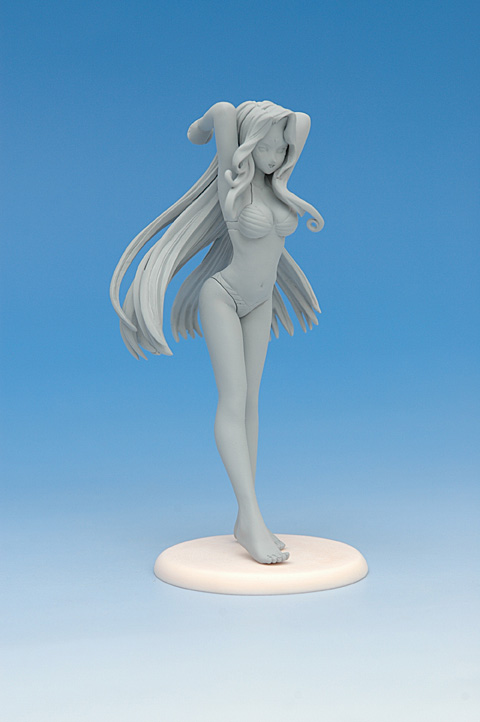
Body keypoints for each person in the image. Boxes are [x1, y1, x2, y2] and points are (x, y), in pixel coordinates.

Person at [110, 101, 324, 564]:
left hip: (261, 301)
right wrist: (201, 130)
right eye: (265, 148)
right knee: (233, 398)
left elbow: (303, 123)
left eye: (281, 149)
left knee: (252, 402)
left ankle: (248, 516)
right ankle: (251, 516)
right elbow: (223, 113)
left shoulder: (278, 186)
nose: (275, 156)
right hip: (223, 297)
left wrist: (282, 128)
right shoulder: (236, 183)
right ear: (247, 146)